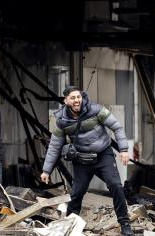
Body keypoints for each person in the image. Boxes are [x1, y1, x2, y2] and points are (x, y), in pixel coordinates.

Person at [40, 86, 134, 236]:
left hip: (103, 155)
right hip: (81, 160)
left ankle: (125, 224)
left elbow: (117, 127)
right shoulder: (61, 120)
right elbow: (54, 145)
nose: (77, 100)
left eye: (78, 97)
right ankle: (69, 225)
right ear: (65, 100)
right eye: (73, 98)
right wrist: (46, 170)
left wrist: (123, 150)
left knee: (116, 185)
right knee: (76, 194)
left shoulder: (96, 110)